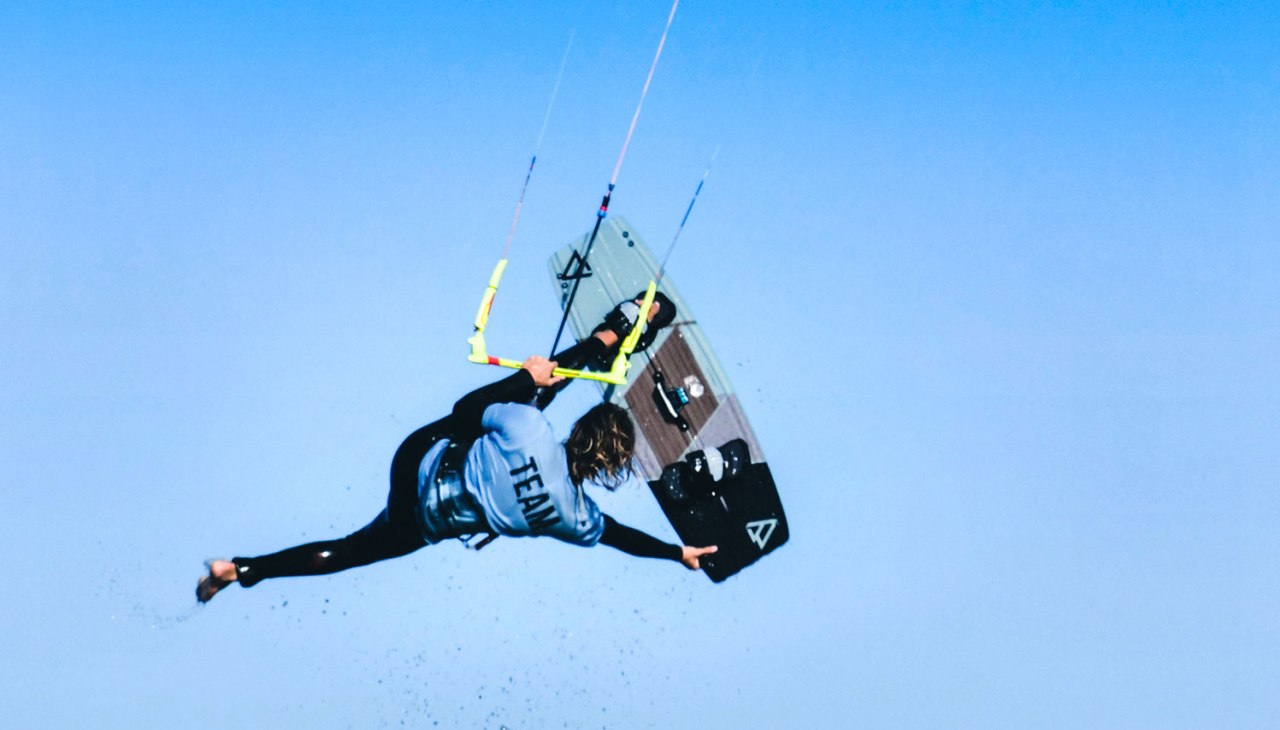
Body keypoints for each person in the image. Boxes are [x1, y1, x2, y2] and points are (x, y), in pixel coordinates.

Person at [197, 293, 717, 603]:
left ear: (580, 431)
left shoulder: (533, 430)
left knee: (528, 395)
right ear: (613, 469)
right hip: (425, 522)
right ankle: (246, 570)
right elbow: (619, 537)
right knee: (353, 552)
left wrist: (525, 380)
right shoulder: (574, 517)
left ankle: (610, 336)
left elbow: (467, 409)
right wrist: (678, 554)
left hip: (417, 460)